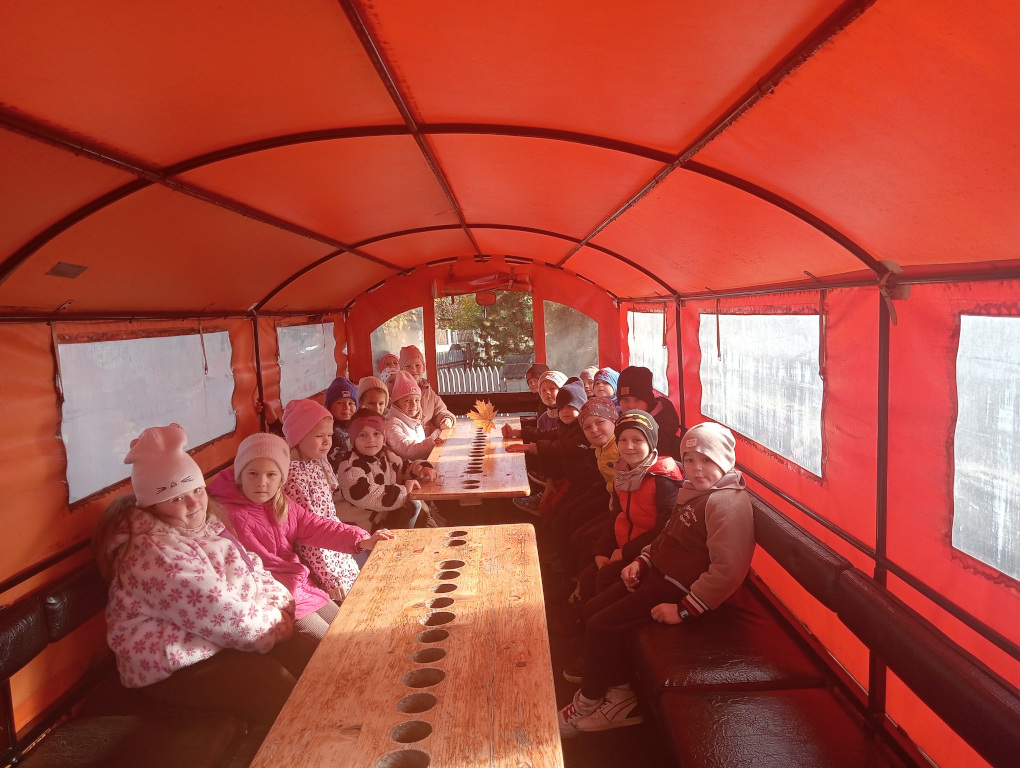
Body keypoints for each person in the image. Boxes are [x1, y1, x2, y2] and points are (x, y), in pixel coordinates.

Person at [93, 424, 316, 736]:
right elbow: (221, 614)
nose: (194, 504)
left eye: (197, 490)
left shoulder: (202, 526)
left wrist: (280, 603)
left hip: (215, 639)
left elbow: (251, 568)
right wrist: (276, 624)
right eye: (177, 498)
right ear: (151, 505)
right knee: (275, 688)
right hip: (170, 665)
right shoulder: (154, 556)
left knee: (310, 654)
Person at [557, 422, 754, 736]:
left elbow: (729, 568)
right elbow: (667, 536)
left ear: (724, 459)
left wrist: (684, 610)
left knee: (601, 624)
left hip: (680, 588)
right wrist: (642, 560)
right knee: (594, 608)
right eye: (689, 459)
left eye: (706, 460)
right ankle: (619, 690)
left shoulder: (725, 503)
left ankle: (589, 700)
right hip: (661, 573)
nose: (696, 468)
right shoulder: (694, 490)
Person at [208, 432, 393, 640]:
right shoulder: (221, 513)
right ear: (239, 475)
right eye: (253, 473)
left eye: (271, 475)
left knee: (350, 629)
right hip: (273, 598)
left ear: (281, 479)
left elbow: (316, 526)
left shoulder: (281, 504)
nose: (261, 482)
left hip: (301, 585)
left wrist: (362, 539)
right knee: (333, 642)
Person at [584, 411, 683, 604]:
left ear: (650, 443)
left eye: (637, 440)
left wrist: (626, 552)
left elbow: (666, 529)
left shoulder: (663, 480)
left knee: (604, 579)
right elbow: (616, 516)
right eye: (623, 440)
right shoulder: (622, 473)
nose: (628, 446)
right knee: (589, 572)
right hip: (625, 543)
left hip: (649, 552)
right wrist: (602, 550)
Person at [282, 399, 361, 602]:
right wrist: (329, 577)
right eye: (319, 436)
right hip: (319, 561)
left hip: (333, 546)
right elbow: (308, 535)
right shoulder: (294, 477)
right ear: (298, 437)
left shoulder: (316, 463)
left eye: (329, 435)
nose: (327, 442)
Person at [336, 408, 437, 531]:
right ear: (353, 439)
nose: (370, 439)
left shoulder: (386, 456)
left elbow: (402, 468)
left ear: (383, 437)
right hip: (361, 530)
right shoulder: (350, 466)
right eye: (362, 435)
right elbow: (366, 495)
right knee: (414, 507)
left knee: (422, 510)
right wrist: (403, 492)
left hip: (384, 519)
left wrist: (420, 469)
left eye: (376, 433)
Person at [616, 366, 680, 457]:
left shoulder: (661, 430)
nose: (630, 405)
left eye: (637, 399)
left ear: (648, 401)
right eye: (625, 399)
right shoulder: (622, 419)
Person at [386, 371, 444, 461]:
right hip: (408, 468)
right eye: (407, 400)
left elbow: (420, 444)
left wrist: (437, 433)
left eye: (417, 400)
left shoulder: (414, 421)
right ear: (396, 403)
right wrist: (430, 443)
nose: (413, 405)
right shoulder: (392, 424)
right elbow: (407, 450)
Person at [397, 344, 455, 433]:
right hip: (406, 438)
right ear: (401, 369)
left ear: (424, 368)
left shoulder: (429, 392)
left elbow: (439, 411)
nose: (413, 369)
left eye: (418, 365)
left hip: (428, 438)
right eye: (408, 366)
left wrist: (446, 419)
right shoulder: (397, 393)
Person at [324, 376, 358, 473]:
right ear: (329, 406)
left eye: (351, 403)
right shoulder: (328, 430)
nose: (346, 407)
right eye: (340, 403)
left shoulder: (358, 426)